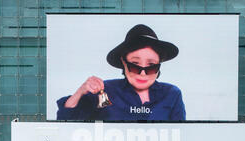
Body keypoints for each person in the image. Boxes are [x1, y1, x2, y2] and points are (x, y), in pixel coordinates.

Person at [56, 24, 185, 121]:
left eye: (151, 66)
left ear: (159, 66)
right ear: (124, 62)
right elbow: (65, 122)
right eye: (135, 65)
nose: (143, 74)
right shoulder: (103, 91)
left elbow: (182, 136)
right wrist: (81, 91)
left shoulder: (172, 94)